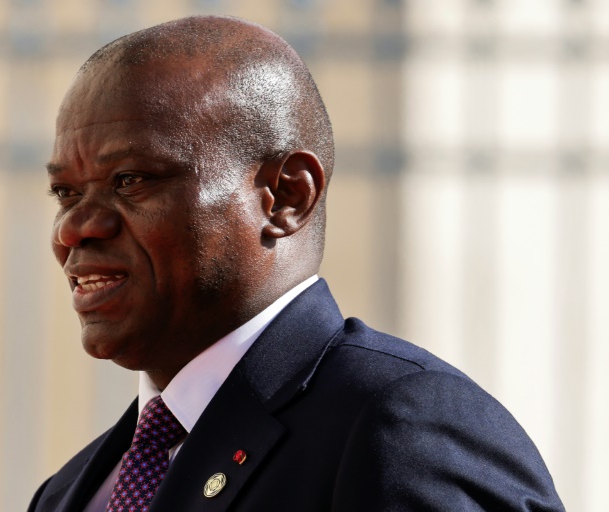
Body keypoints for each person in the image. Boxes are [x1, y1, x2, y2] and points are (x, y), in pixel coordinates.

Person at [29, 15, 564, 512]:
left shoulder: (403, 427)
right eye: (66, 193)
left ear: (286, 197)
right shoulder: (67, 493)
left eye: (130, 180)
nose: (74, 229)